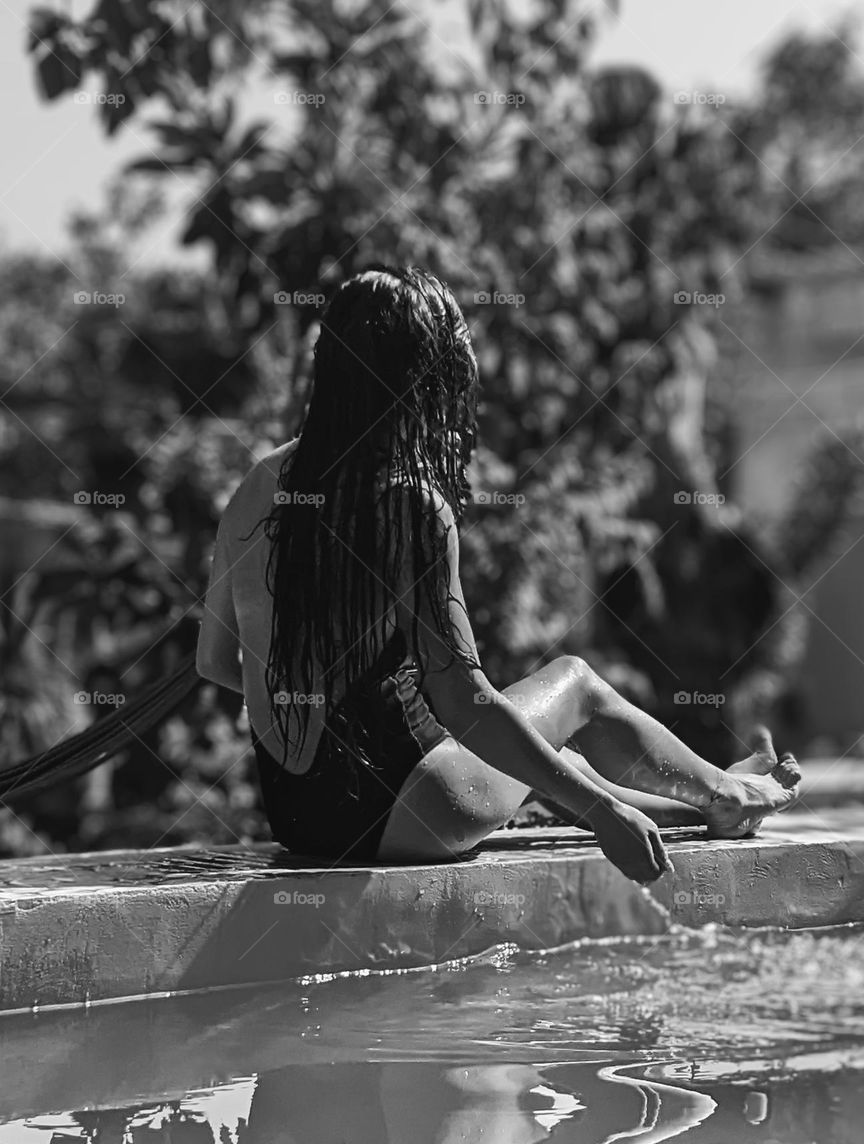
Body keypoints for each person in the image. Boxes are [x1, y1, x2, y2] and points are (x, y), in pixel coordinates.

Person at [196, 265, 799, 882]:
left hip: (300, 818)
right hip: (410, 812)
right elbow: (466, 701)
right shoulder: (409, 505)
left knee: (542, 760)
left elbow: (215, 661)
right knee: (577, 686)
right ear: (422, 382)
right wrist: (597, 811)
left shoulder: (259, 484)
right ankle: (728, 794)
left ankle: (707, 799)